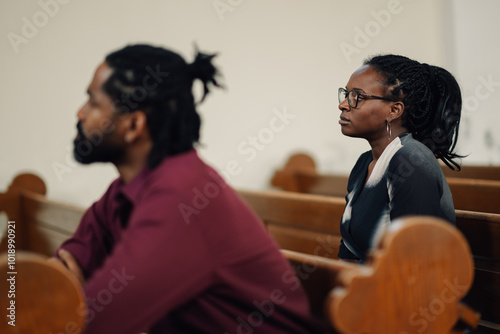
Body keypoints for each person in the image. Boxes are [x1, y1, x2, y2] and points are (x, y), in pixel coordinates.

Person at [53, 44, 323, 334]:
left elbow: (96, 320)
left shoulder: (181, 197)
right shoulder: (126, 190)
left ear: (134, 125)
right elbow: (67, 268)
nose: (80, 113)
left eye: (93, 103)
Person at [337, 54, 463, 263]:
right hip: (365, 286)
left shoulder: (411, 162)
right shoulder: (364, 163)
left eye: (357, 97)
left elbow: (415, 261)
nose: (343, 104)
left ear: (394, 110)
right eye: (346, 94)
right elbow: (349, 250)